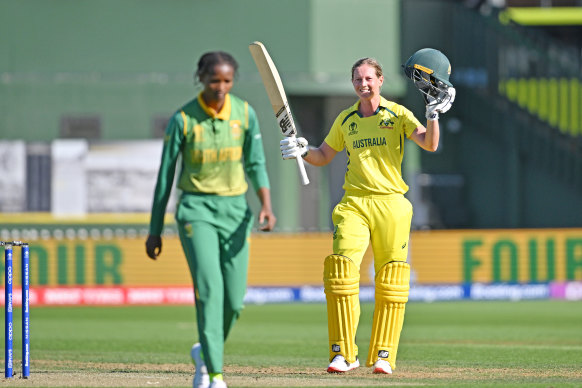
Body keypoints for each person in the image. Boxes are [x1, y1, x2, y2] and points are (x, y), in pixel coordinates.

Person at [280, 52, 455, 375]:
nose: (364, 83)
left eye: (369, 78)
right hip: (355, 203)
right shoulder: (346, 120)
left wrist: (433, 115)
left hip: (392, 203)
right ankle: (343, 355)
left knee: (391, 280)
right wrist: (302, 151)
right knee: (341, 272)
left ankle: (384, 355)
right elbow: (323, 156)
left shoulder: (398, 113)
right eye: (358, 79)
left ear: (380, 81)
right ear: (353, 83)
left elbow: (429, 144)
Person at [145, 51, 276, 388]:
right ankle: (214, 374)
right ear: (200, 78)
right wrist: (155, 231)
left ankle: (205, 350)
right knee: (209, 291)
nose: (221, 87)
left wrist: (266, 204)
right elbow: (164, 178)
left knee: (234, 301)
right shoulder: (183, 120)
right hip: (196, 211)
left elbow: (257, 164)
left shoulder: (244, 113)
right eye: (214, 80)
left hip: (235, 212)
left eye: (227, 80)